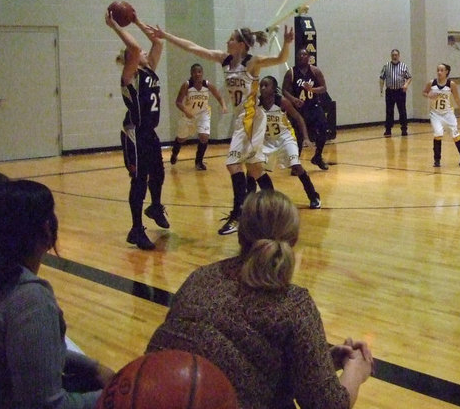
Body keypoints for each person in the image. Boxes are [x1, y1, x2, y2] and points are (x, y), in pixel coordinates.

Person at [146, 190, 373, 409]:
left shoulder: (200, 277)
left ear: (240, 234)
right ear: (293, 240)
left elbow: (235, 360)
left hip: (149, 393)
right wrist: (356, 370)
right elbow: (327, 405)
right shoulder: (294, 304)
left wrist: (321, 361)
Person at [148, 23, 294, 236]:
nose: (227, 41)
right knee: (254, 170)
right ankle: (277, 212)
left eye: (231, 39)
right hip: (241, 119)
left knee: (233, 163)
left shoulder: (252, 62)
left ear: (241, 45)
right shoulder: (224, 59)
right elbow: (193, 48)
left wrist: (287, 44)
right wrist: (165, 35)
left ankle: (238, 215)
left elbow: (280, 59)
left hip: (252, 118)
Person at [0, 179, 115, 408]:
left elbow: (33, 354)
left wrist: (93, 367)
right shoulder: (29, 299)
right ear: (46, 229)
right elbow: (46, 406)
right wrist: (121, 397)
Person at [107, 8, 168, 251]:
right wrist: (116, 26)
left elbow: (158, 42)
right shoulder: (130, 75)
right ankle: (136, 229)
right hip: (134, 133)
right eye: (140, 52)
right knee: (139, 181)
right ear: (132, 58)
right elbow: (133, 49)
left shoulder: (150, 69)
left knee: (159, 174)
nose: (144, 51)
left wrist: (137, 20)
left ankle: (155, 206)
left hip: (149, 132)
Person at [259, 75, 321, 209]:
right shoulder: (256, 103)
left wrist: (305, 137)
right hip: (267, 141)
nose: (263, 88)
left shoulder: (282, 102)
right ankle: (265, 199)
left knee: (296, 166)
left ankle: (313, 196)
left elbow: (298, 118)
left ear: (274, 88)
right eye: (261, 85)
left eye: (266, 85)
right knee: (254, 169)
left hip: (285, 139)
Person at [169, 63, 228, 170]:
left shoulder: (207, 85)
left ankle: (198, 162)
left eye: (199, 72)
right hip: (188, 116)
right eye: (194, 72)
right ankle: (174, 153)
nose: (197, 74)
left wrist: (223, 106)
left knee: (204, 137)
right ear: (191, 74)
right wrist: (186, 112)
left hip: (203, 114)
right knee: (182, 139)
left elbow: (219, 97)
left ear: (202, 73)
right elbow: (178, 102)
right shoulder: (187, 85)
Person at [283, 48, 330, 171]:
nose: (302, 56)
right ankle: (296, 163)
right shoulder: (291, 73)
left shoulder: (315, 71)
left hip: (314, 106)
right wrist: (293, 99)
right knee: (298, 137)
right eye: (300, 54)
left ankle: (318, 156)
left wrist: (312, 90)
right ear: (297, 57)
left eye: (305, 54)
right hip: (299, 109)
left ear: (309, 57)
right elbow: (284, 90)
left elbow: (324, 88)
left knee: (324, 130)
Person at [423, 63, 460, 167]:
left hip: (448, 114)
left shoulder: (451, 84)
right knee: (438, 134)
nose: (439, 72)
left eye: (441, 70)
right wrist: (428, 95)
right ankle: (437, 160)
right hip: (435, 114)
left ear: (446, 72)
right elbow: (424, 92)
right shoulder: (432, 83)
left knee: (455, 135)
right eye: (438, 70)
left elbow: (457, 99)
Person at [379, 49, 412, 137]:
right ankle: (388, 129)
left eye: (396, 55)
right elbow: (382, 78)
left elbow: (409, 77)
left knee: (402, 111)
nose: (394, 56)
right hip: (390, 91)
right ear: (391, 56)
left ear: (399, 56)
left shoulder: (403, 66)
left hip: (400, 91)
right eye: (393, 55)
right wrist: (381, 89)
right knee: (389, 111)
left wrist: (406, 85)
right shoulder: (386, 66)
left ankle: (404, 129)